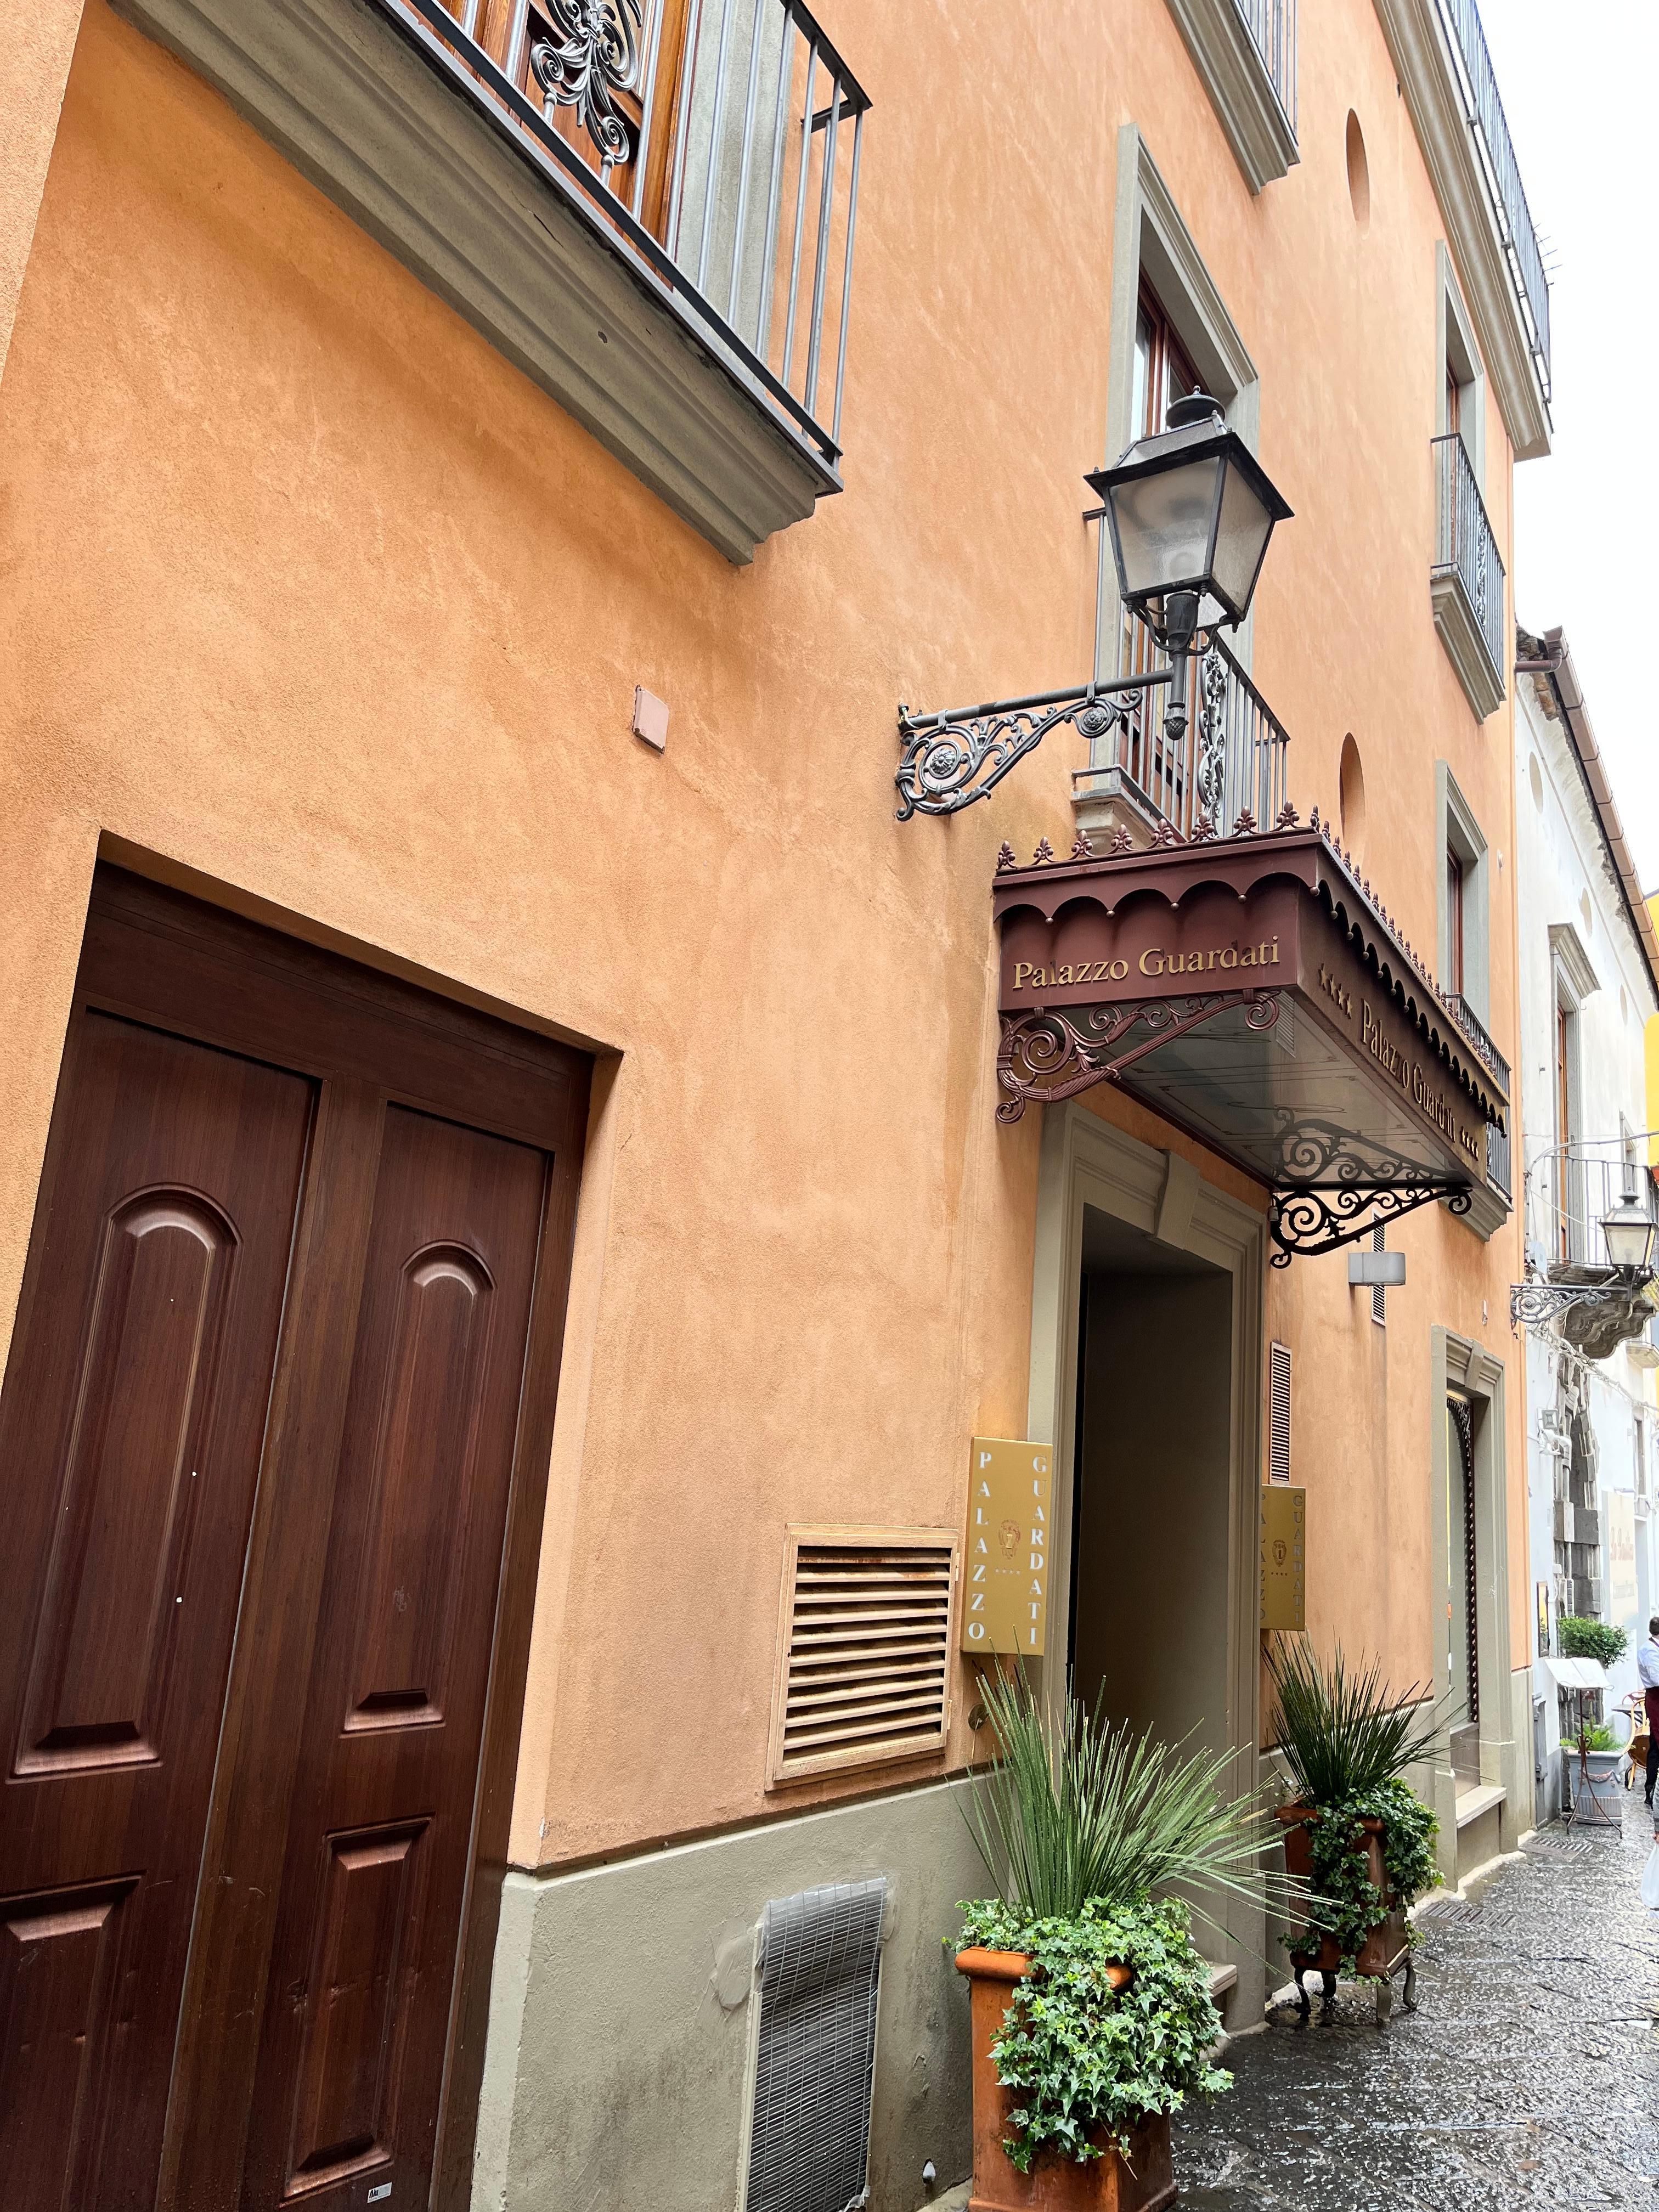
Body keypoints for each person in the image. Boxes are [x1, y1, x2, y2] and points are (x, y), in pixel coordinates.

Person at [1640, 1614, 1659, 1810]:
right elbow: (1656, 1678)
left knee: (1655, 1744)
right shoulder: (1648, 1651)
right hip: (1656, 1699)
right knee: (1656, 1744)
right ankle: (1652, 1790)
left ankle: (1652, 1791)